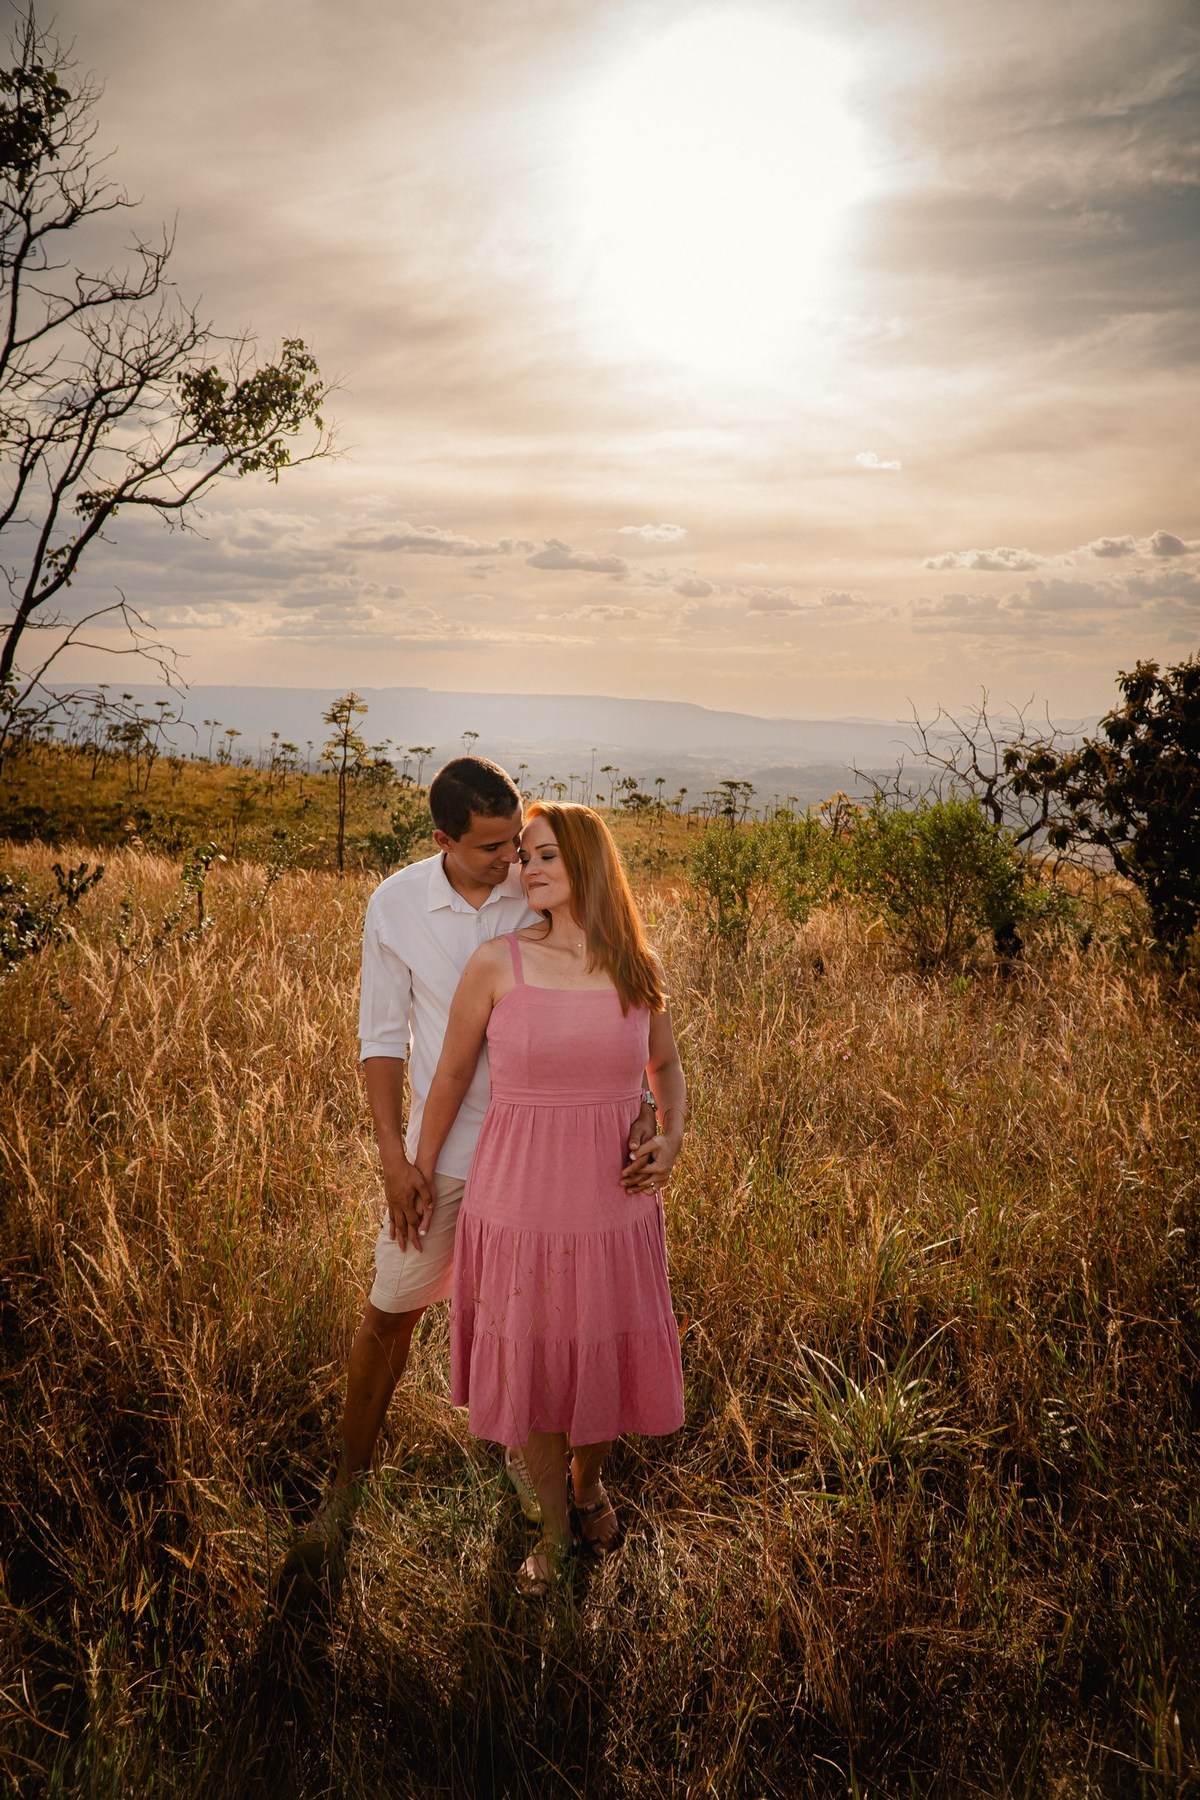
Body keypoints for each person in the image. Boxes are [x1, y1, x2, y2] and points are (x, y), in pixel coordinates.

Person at [279, 759, 661, 1587]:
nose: (512, 861)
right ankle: (344, 1492)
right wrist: (397, 1160)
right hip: (449, 1156)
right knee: (391, 1311)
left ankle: (551, 1485)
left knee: (554, 1324)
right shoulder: (397, 905)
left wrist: (642, 1104)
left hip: (554, 1165)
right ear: (443, 840)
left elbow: (612, 1006)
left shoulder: (545, 884)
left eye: (518, 842)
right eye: (493, 848)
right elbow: (383, 1041)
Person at [415, 801, 686, 1596]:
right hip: (519, 1200)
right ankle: (556, 1529)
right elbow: (451, 1075)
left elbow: (665, 1068)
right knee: (534, 1359)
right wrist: (419, 1170)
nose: (525, 868)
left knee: (601, 1346)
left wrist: (669, 1136)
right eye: (523, 856)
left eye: (544, 856)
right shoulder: (498, 964)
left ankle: (588, 1483)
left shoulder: (635, 966)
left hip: (613, 1204)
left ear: (587, 864)